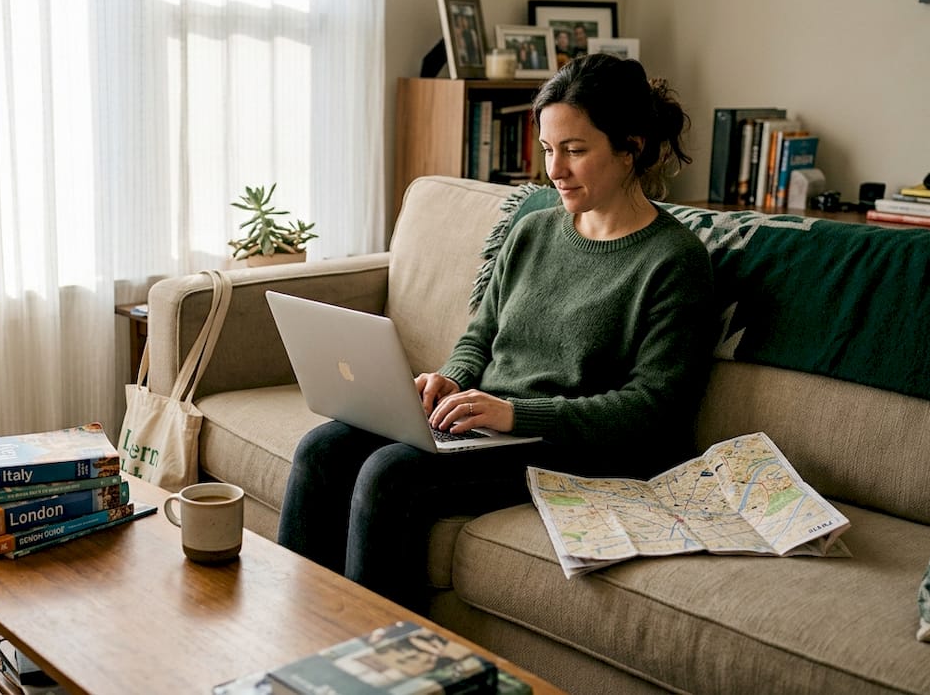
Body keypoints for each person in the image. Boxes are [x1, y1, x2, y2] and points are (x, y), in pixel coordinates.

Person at [276, 54, 716, 609]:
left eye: (576, 151)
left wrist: (516, 415)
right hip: (492, 425)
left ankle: (373, 666)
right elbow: (480, 335)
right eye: (550, 149)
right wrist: (453, 379)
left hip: (572, 446)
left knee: (392, 475)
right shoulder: (534, 230)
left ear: (630, 146)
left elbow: (654, 409)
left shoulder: (673, 260)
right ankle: (293, 642)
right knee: (322, 448)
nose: (555, 171)